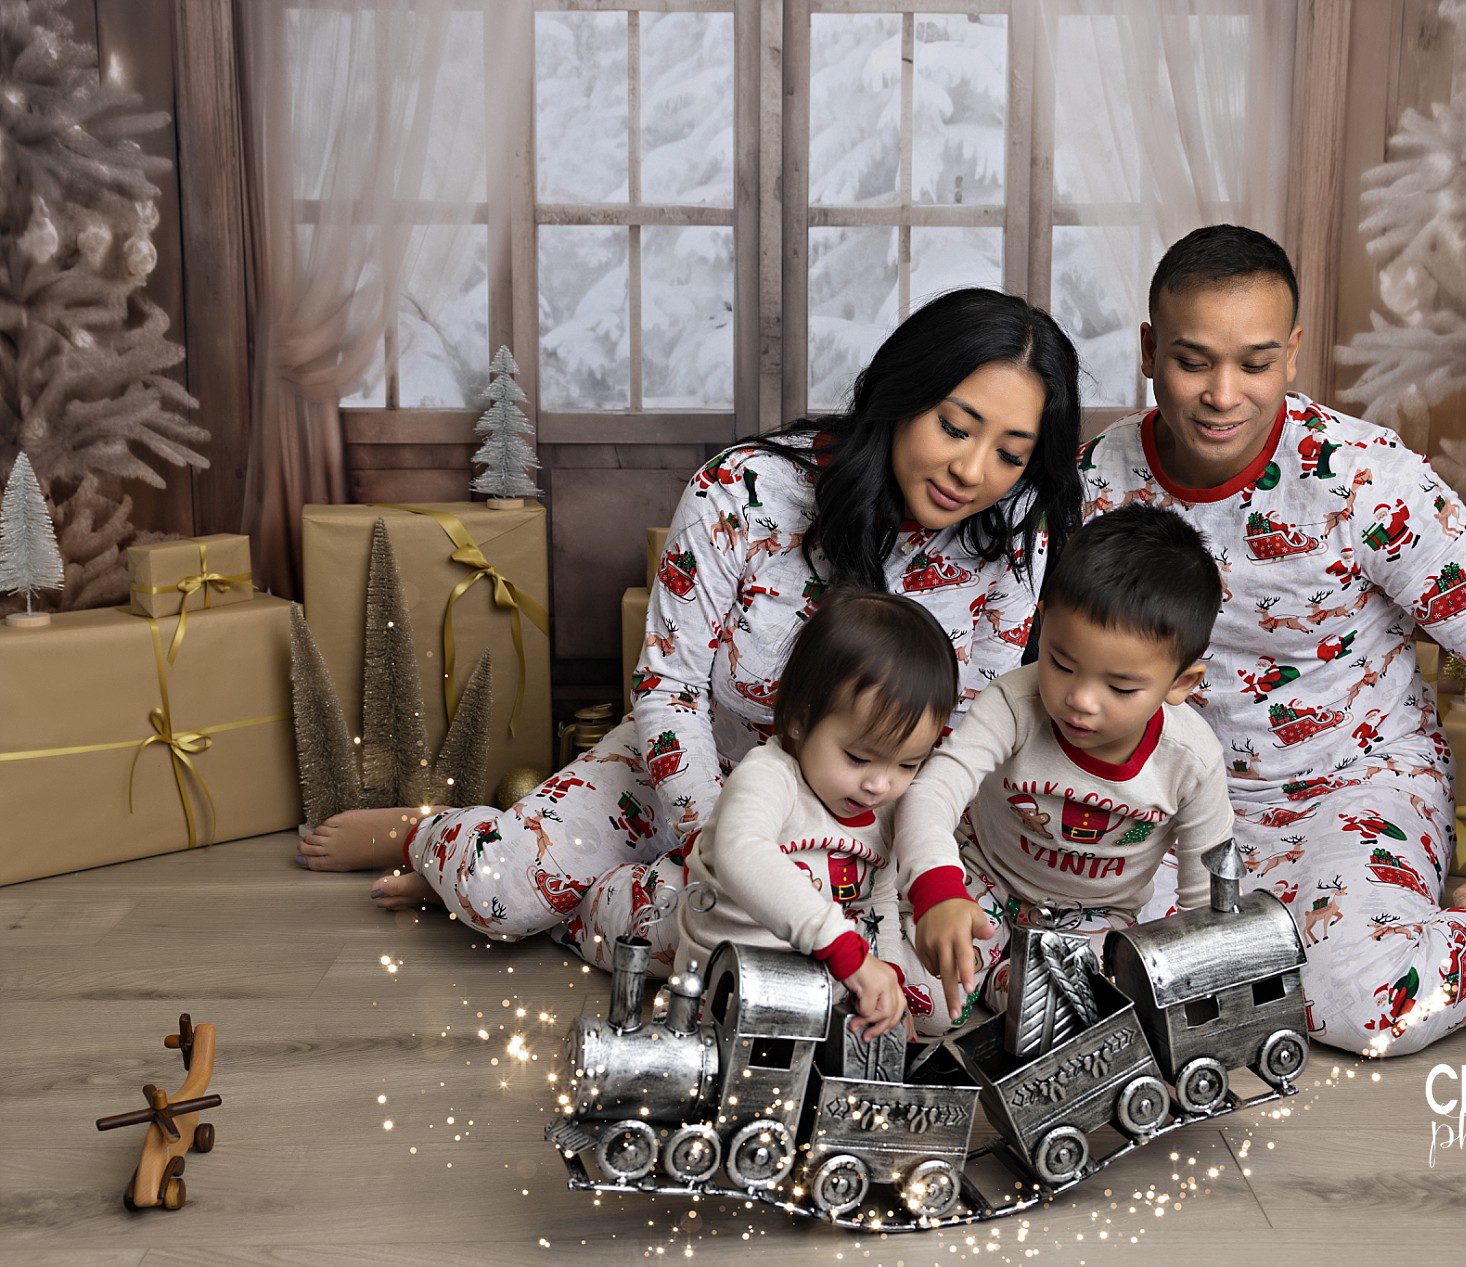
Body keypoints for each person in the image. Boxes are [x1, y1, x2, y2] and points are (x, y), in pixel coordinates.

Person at [295, 287, 1082, 972]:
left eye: (1010, 454)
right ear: (903, 394)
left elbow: (958, 735)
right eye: (954, 427)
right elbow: (669, 687)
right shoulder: (745, 490)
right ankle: (436, 840)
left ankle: (581, 900)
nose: (973, 471)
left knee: (813, 955)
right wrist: (721, 848)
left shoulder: (1011, 538)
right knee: (505, 894)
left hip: (861, 806)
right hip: (692, 771)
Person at [1077, 225, 1466, 1057]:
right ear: (1150, 350)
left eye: (1256, 363)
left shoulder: (1362, 477)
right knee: (1094, 979)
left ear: (1294, 353)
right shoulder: (1099, 479)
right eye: (1193, 361)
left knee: (1364, 1004)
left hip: (1354, 783)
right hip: (1175, 798)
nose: (1222, 393)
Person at [893, 505, 1234, 1035]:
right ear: (1043, 620)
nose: (1079, 700)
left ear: (1181, 684)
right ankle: (1001, 982)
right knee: (928, 1008)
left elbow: (1203, 897)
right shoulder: (1014, 703)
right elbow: (933, 791)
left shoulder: (1190, 760)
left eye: (1120, 688)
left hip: (1092, 917)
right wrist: (939, 891)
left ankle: (1012, 984)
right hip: (984, 878)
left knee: (1103, 1013)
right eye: (1060, 662)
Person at [674, 590, 958, 1041]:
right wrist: (845, 950)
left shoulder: (881, 805)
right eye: (858, 757)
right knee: (652, 916)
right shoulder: (770, 776)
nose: (879, 785)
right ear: (800, 722)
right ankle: (613, 900)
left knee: (937, 1013)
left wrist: (887, 972)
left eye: (907, 764)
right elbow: (740, 852)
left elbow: (876, 901)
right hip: (730, 964)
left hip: (822, 965)